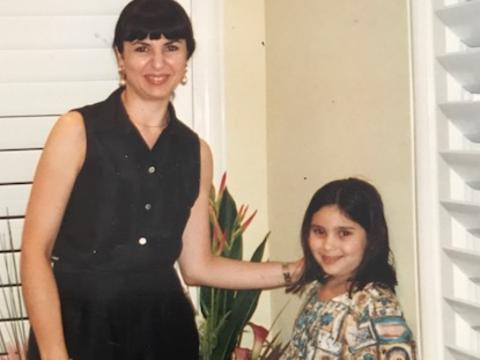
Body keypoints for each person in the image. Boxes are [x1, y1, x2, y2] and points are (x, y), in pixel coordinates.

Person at [20, 1, 302, 359]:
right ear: (120, 58)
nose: (158, 63)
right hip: (80, 330)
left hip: (163, 334)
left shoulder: (195, 152)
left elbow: (199, 266)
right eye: (142, 48)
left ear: (186, 59)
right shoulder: (76, 131)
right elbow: (35, 253)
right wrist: (54, 354)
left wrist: (295, 272)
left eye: (171, 48)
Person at [282, 178, 416, 359]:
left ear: (371, 237)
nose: (328, 245)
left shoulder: (376, 305)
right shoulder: (322, 285)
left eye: (344, 233)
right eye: (319, 232)